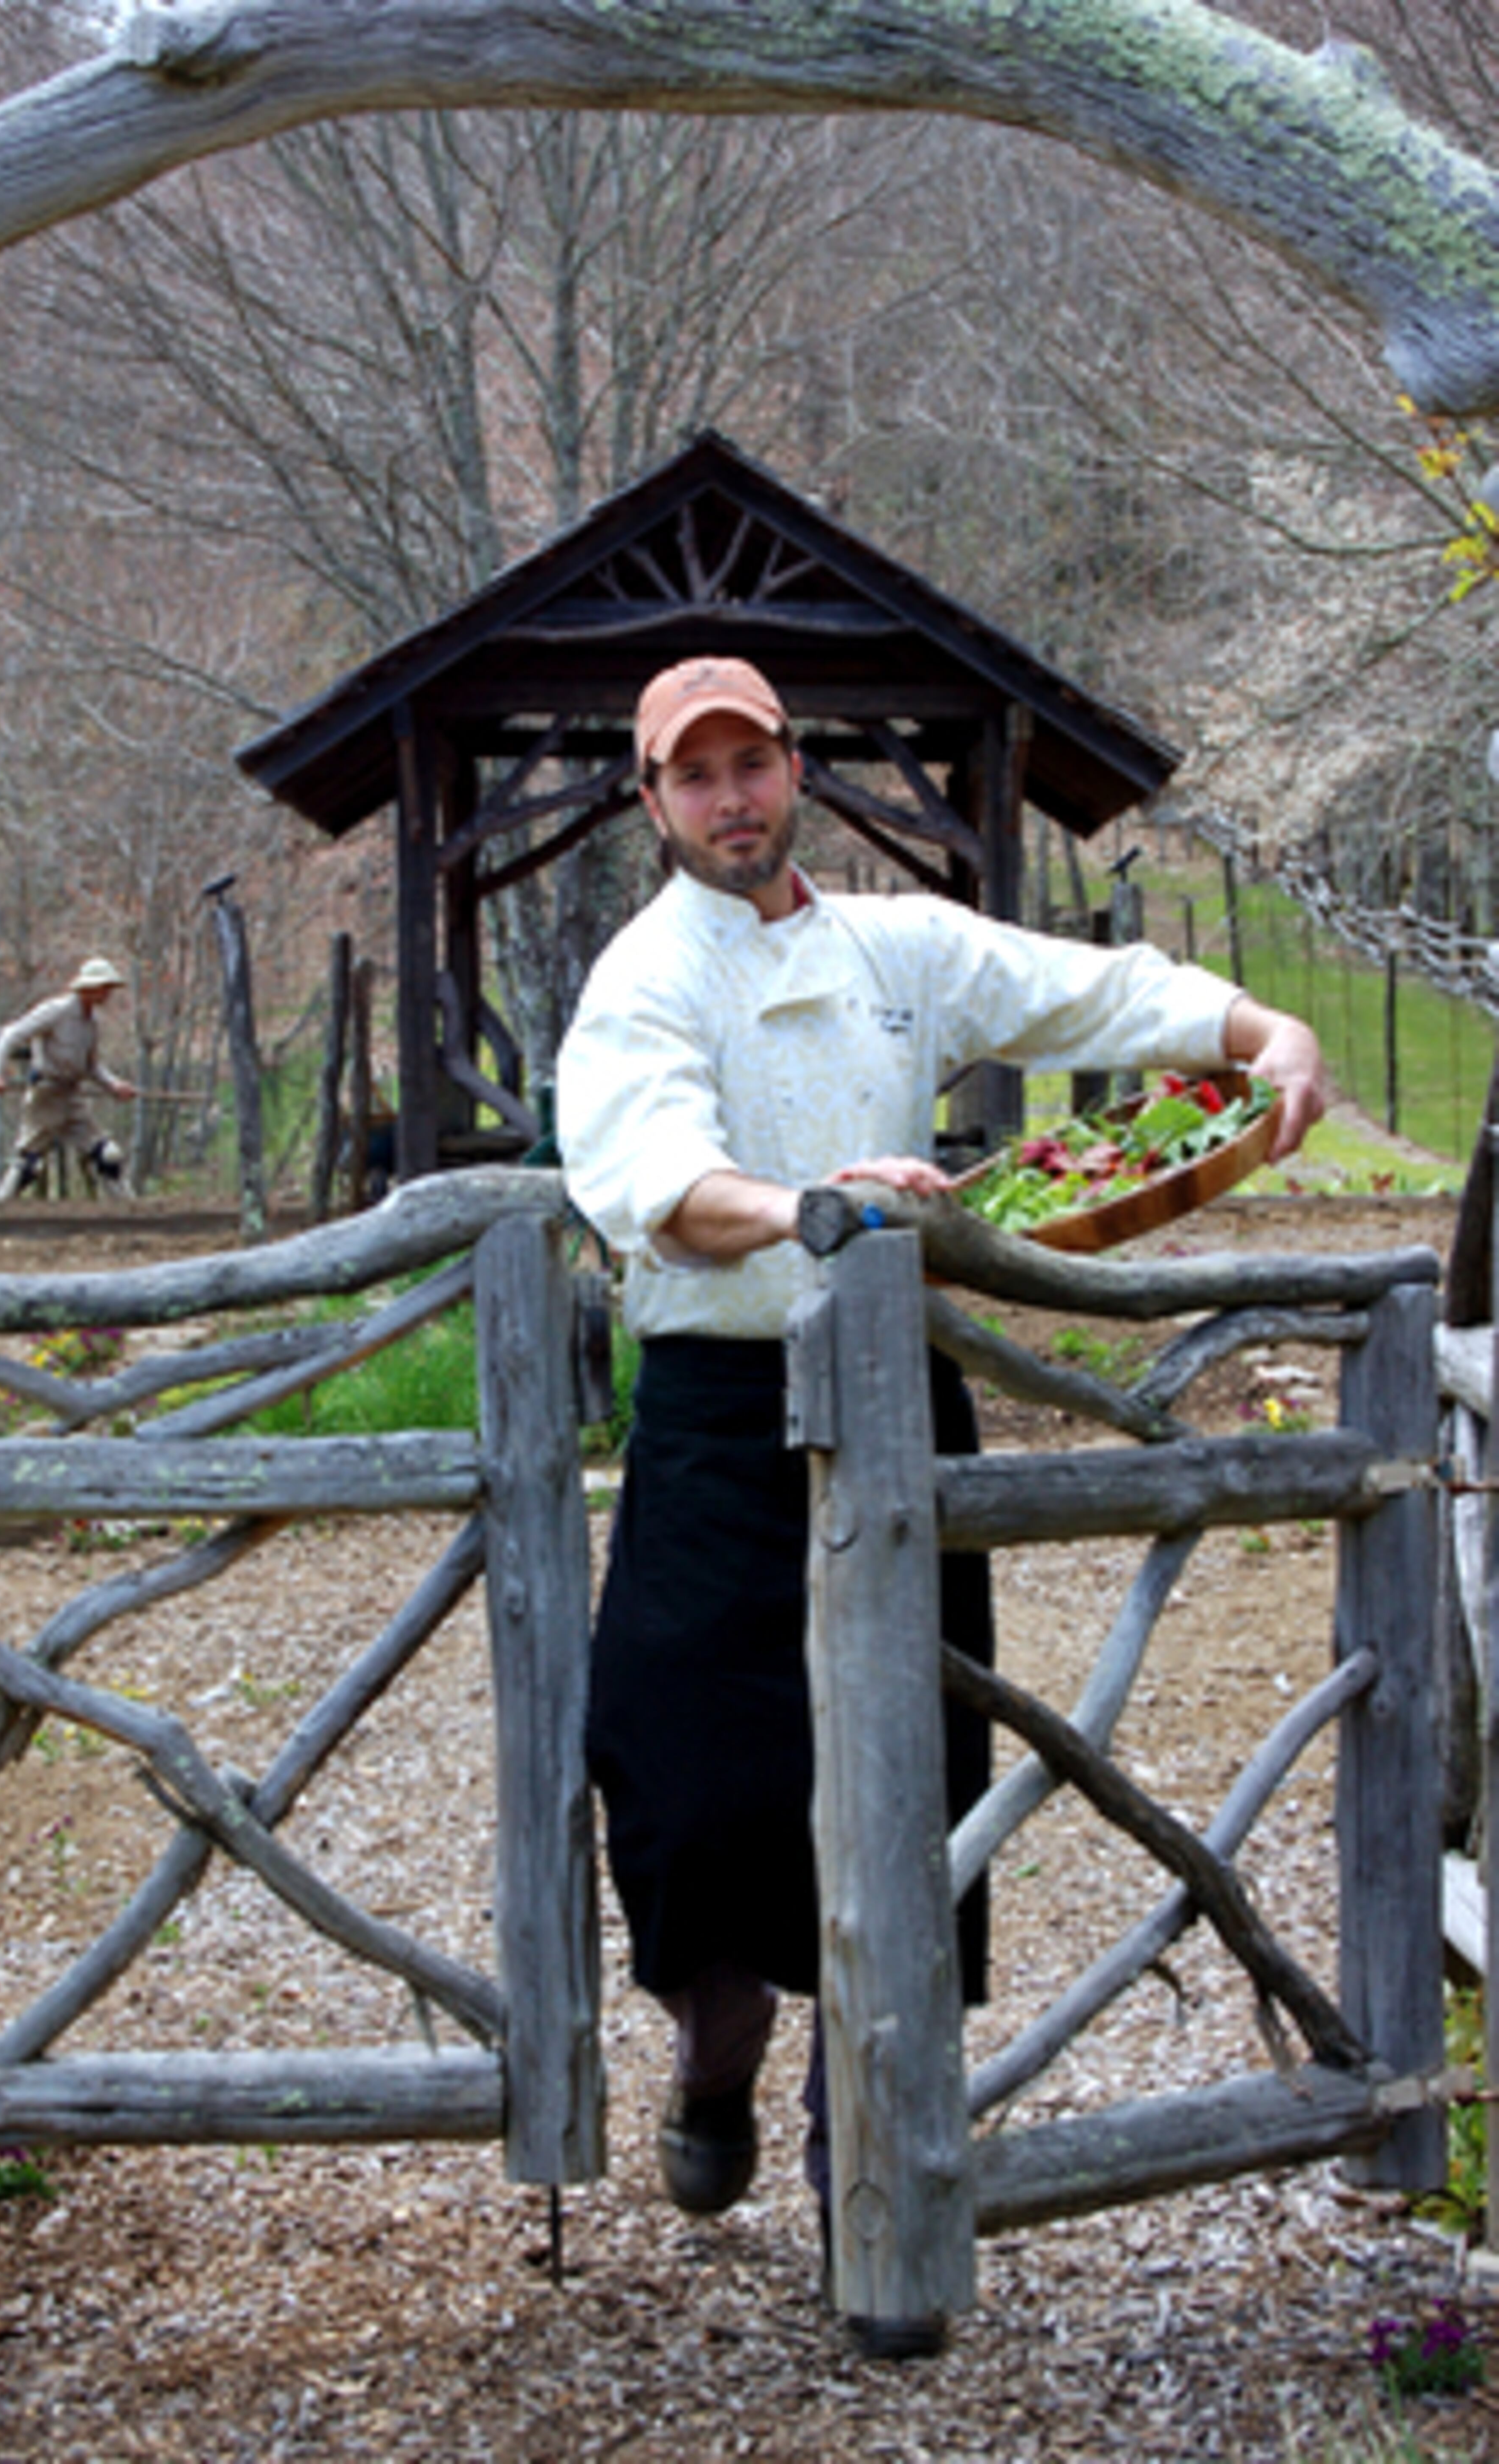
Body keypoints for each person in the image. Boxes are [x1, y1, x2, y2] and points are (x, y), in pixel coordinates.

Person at [555, 655, 1325, 2261]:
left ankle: (865, 2143)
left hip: (902, 1407)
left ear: (795, 769)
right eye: (694, 777)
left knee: (902, 1777)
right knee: (682, 1779)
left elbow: (1091, 990)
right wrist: (813, 1206)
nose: (730, 801)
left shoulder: (895, 946)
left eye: (750, 765)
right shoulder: (644, 979)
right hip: (716, 1414)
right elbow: (655, 1177)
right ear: (652, 802)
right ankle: (717, 2049)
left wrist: (1266, 1027)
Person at [0, 955, 138, 1200]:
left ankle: (129, 1211)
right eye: (104, 987)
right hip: (46, 1096)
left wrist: (114, 1084)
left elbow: (91, 1066)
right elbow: (10, 1036)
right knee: (28, 1165)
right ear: (89, 988)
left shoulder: (92, 1023)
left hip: (72, 1098)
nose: (108, 993)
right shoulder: (56, 1012)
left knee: (108, 1156)